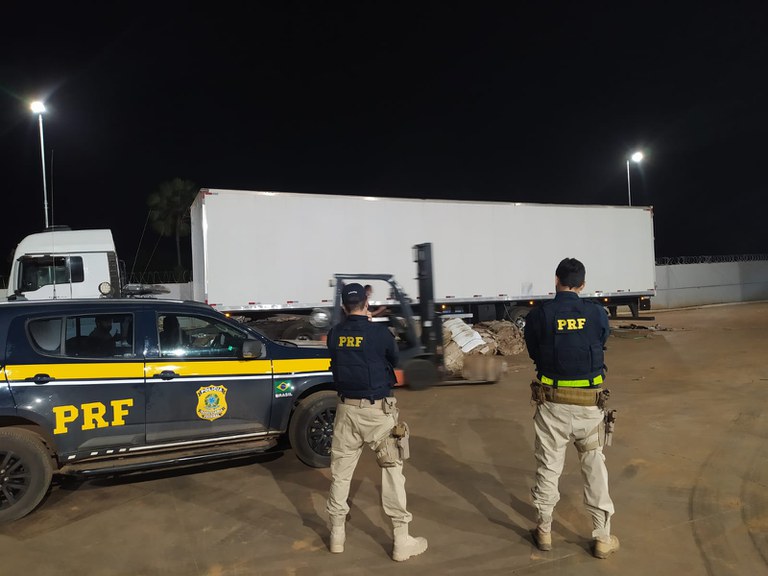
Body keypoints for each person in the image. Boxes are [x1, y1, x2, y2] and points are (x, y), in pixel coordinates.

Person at [523, 258, 619, 559]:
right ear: (583, 284)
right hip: (589, 407)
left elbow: (533, 350)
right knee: (594, 467)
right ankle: (602, 537)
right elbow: (602, 339)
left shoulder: (540, 315)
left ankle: (544, 531)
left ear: (556, 280)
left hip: (553, 405)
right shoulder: (596, 312)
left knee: (549, 467)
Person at [325, 283, 428, 562]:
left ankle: (337, 535)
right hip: (378, 413)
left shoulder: (334, 334)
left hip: (346, 411)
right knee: (393, 471)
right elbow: (394, 358)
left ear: (344, 306)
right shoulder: (379, 333)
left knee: (340, 474)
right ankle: (401, 540)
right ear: (366, 304)